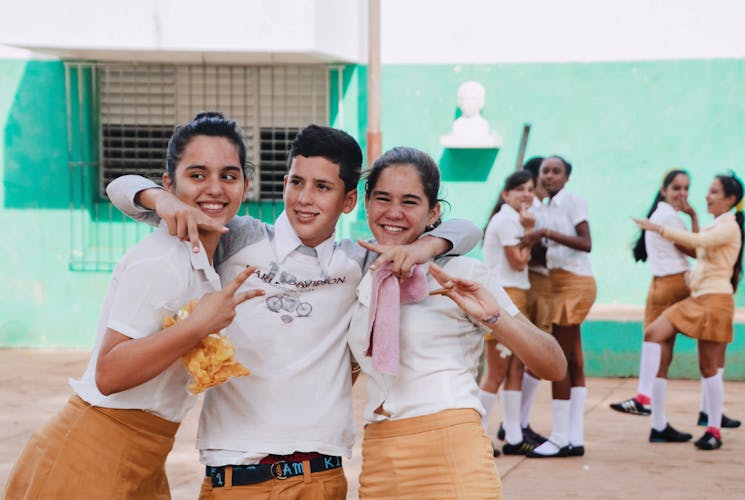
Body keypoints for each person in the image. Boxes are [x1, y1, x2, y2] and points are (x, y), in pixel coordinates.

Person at [106, 125, 482, 498]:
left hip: (319, 475)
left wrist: (425, 247)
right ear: (284, 182)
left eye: (322, 187)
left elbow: (467, 230)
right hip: (235, 474)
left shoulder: (361, 261)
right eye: (297, 182)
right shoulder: (234, 237)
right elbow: (120, 189)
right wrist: (160, 198)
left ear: (348, 200)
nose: (305, 198)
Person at [3, 112, 265, 499]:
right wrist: (197, 326)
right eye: (197, 175)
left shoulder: (206, 255)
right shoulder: (162, 261)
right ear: (168, 185)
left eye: (228, 176)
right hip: (92, 454)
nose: (214, 188)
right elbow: (108, 374)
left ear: (245, 184)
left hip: (140, 456)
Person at [348, 147, 566, 498]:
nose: (393, 213)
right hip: (381, 459)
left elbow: (554, 365)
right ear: (367, 202)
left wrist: (494, 318)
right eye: (382, 198)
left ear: (433, 212)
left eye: (410, 202)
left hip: (452, 451)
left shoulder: (462, 273)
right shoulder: (359, 273)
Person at [610, 170, 742, 427]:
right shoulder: (670, 216)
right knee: (702, 361)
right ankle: (658, 406)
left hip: (695, 293)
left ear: (730, 199)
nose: (684, 194)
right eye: (676, 188)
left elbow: (698, 245)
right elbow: (698, 248)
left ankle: (668, 415)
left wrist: (677, 222)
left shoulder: (720, 224)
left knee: (701, 362)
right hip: (683, 289)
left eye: (686, 188)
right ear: (664, 190)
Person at [520, 155, 596, 458]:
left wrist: (544, 233)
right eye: (545, 172)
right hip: (555, 282)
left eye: (556, 171)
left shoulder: (573, 201)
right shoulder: (542, 209)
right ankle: (574, 438)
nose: (550, 176)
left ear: (567, 176)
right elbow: (540, 253)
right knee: (575, 362)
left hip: (575, 283)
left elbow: (586, 242)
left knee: (561, 361)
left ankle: (561, 436)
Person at [478, 170, 541, 456]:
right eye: (519, 189)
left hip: (515, 297)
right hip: (502, 299)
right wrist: (529, 230)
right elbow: (517, 263)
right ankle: (477, 434)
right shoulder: (506, 220)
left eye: (530, 188)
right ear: (506, 194)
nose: (526, 194)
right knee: (497, 370)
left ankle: (514, 435)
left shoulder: (513, 218)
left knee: (516, 367)